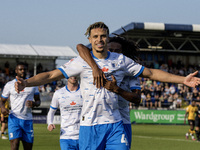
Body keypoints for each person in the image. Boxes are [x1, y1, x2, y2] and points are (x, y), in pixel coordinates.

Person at [15, 22, 200, 150]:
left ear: (107, 37)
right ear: (90, 38)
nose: (100, 40)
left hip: (114, 123)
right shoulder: (80, 62)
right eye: (95, 37)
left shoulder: (121, 60)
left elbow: (151, 73)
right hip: (89, 126)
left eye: (103, 36)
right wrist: (26, 82)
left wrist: (182, 79)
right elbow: (49, 75)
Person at [0, 62, 41, 150]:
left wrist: (34, 103)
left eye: (24, 69)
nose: (23, 71)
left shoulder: (33, 84)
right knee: (15, 145)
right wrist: (3, 108)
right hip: (14, 118)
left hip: (27, 120)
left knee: (28, 148)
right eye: (20, 69)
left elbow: (38, 101)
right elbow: (2, 101)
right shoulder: (9, 85)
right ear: (16, 71)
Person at [47, 76, 83, 150]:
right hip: (66, 136)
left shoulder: (85, 91)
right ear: (67, 76)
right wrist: (50, 123)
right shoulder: (59, 93)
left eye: (75, 74)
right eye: (71, 74)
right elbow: (51, 111)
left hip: (84, 135)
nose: (73, 76)